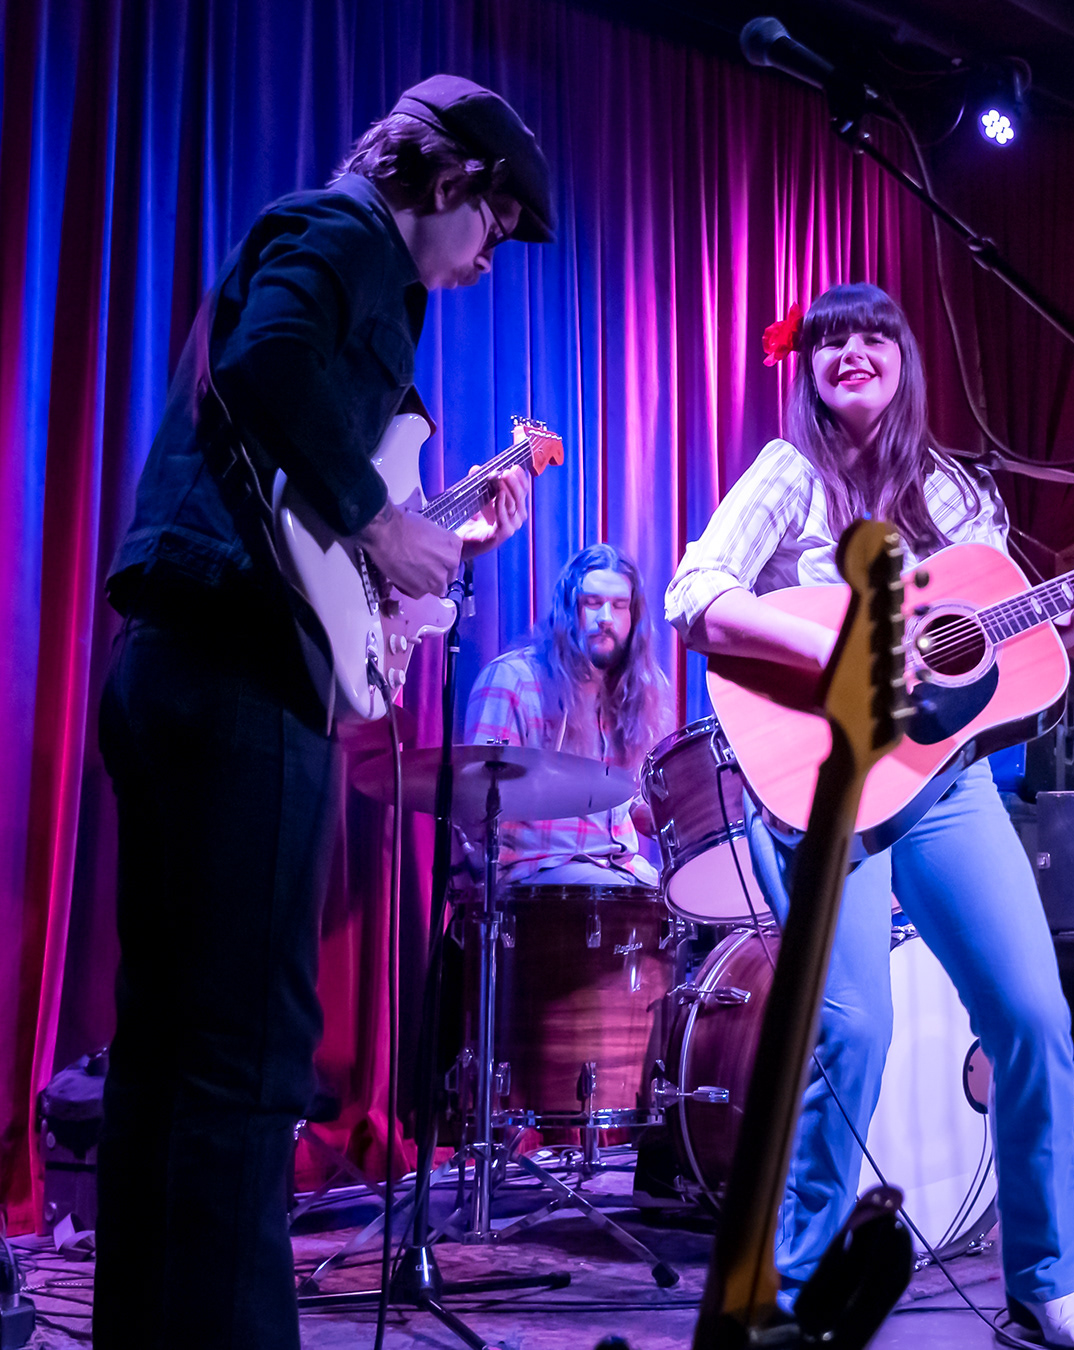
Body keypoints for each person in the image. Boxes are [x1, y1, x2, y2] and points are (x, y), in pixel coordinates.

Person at [96, 76, 550, 1349]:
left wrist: (421, 544)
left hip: (185, 665)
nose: (485, 262)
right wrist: (381, 515)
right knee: (251, 1049)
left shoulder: (351, 260)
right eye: (495, 230)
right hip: (236, 675)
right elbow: (269, 366)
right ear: (454, 182)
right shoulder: (347, 232)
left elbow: (301, 496)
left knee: (174, 1047)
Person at [665, 284, 1074, 1348]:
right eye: (830, 340)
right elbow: (692, 595)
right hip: (825, 784)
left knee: (1034, 1016)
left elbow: (997, 650)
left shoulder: (959, 495)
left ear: (905, 359)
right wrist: (833, 650)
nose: (851, 353)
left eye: (873, 335)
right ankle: (784, 1302)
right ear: (812, 369)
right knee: (852, 1030)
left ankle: (1047, 1283)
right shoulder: (792, 474)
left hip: (946, 780)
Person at [466, 542, 675, 884]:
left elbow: (625, 800)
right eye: (592, 603)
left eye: (619, 606)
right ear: (568, 609)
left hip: (619, 868)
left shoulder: (636, 691)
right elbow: (474, 796)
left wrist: (674, 817)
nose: (605, 618)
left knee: (692, 903)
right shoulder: (514, 681)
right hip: (536, 874)